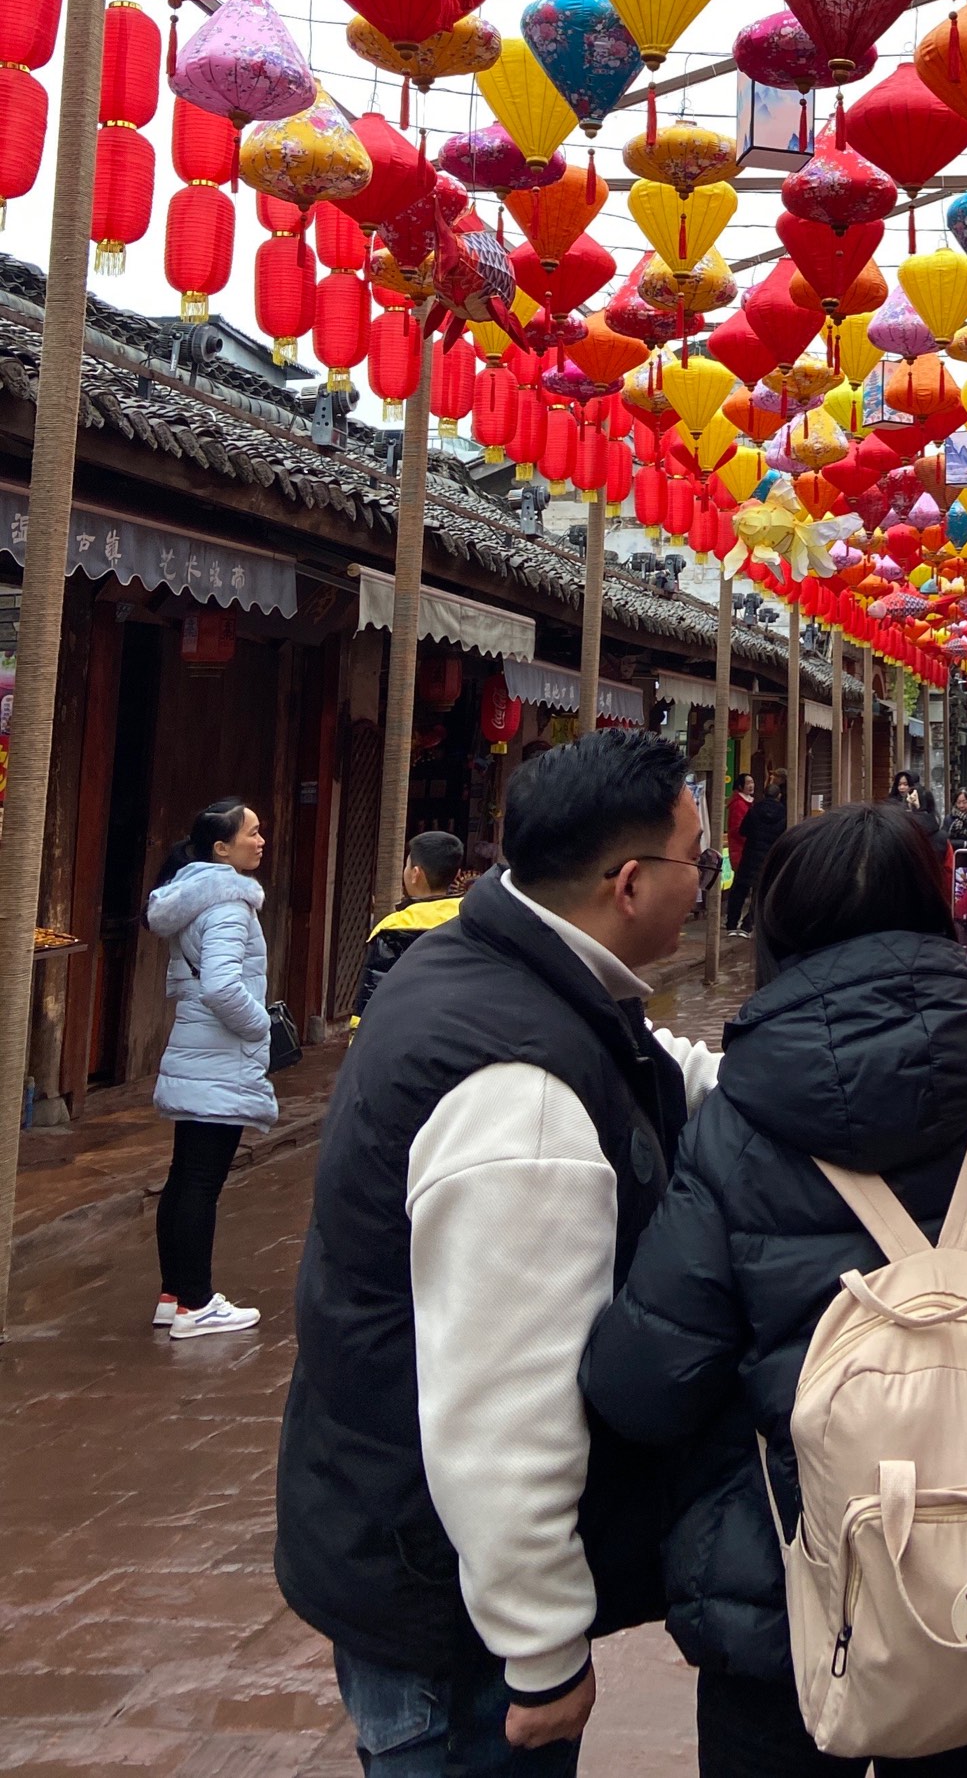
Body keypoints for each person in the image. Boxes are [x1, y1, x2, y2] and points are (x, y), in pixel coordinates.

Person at [581, 801, 967, 1778]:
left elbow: (645, 1382)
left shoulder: (736, 1125)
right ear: (942, 914)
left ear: (782, 927)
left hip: (786, 1577)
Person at [275, 730, 722, 1778]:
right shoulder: (517, 1094)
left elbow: (664, 1067)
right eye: (695, 862)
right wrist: (542, 1645)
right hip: (445, 1596)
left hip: (386, 1526)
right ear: (626, 883)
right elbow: (503, 1402)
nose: (705, 884)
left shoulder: (496, 964)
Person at [146, 797, 276, 1340]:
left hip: (197, 1049)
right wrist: (259, 1026)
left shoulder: (194, 897)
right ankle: (196, 1304)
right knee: (201, 1181)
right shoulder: (228, 906)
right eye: (251, 833)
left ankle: (174, 1293)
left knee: (184, 1178)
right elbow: (223, 985)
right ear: (221, 849)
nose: (261, 840)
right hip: (220, 1055)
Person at [352, 831, 466, 1026]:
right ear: (456, 874)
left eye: (406, 866)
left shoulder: (393, 929)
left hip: (405, 1035)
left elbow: (372, 998)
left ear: (415, 874)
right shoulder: (475, 921)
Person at [729, 766, 786, 935]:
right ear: (778, 796)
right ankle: (748, 925)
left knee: (739, 889)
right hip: (769, 858)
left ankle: (732, 923)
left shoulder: (754, 809)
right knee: (760, 892)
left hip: (750, 855)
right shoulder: (783, 813)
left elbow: (743, 830)